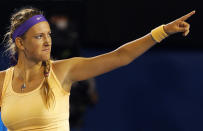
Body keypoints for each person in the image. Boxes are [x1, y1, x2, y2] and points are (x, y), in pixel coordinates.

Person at [0, 7, 195, 131]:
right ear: (20, 43)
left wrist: (163, 31)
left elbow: (121, 56)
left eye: (48, 35)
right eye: (39, 37)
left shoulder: (62, 71)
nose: (48, 42)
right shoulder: (3, 81)